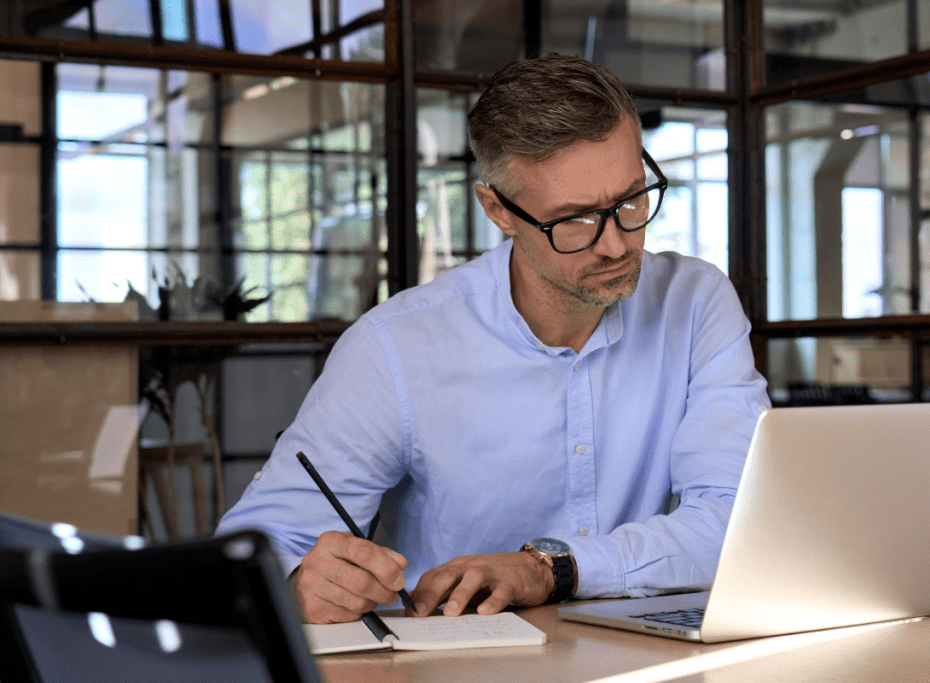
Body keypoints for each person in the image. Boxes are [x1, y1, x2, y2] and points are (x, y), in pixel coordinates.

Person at [216, 53, 770, 624]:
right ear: (498, 211)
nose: (616, 244)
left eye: (630, 200)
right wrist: (296, 581)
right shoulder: (397, 347)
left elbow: (740, 520)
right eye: (576, 219)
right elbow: (253, 549)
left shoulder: (695, 301)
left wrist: (551, 569)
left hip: (648, 659)